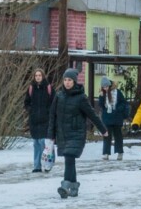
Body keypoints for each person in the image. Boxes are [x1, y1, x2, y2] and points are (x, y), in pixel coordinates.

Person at [46, 68, 108, 198]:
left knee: (69, 157)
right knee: (70, 160)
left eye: (70, 80)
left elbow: (92, 114)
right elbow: (52, 116)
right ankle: (74, 187)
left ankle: (65, 186)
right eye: (65, 80)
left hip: (76, 134)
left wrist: (103, 130)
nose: (67, 82)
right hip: (62, 134)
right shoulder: (59, 96)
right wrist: (50, 135)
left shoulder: (81, 98)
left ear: (74, 81)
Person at [24, 68, 53, 173]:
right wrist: (30, 110)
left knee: (43, 143)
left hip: (45, 120)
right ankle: (37, 166)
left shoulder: (48, 87)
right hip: (34, 120)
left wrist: (48, 112)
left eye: (39, 75)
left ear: (43, 76)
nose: (38, 77)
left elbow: (53, 102)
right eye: (36, 75)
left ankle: (46, 164)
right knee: (36, 143)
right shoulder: (31, 88)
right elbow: (26, 102)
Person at [97, 77, 129, 161]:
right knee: (107, 136)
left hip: (117, 117)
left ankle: (120, 153)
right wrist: (100, 96)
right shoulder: (102, 93)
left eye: (107, 86)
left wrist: (118, 109)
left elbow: (123, 102)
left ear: (110, 85)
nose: (105, 88)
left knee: (118, 136)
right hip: (107, 117)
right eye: (104, 87)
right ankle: (106, 153)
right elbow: (101, 105)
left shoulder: (117, 92)